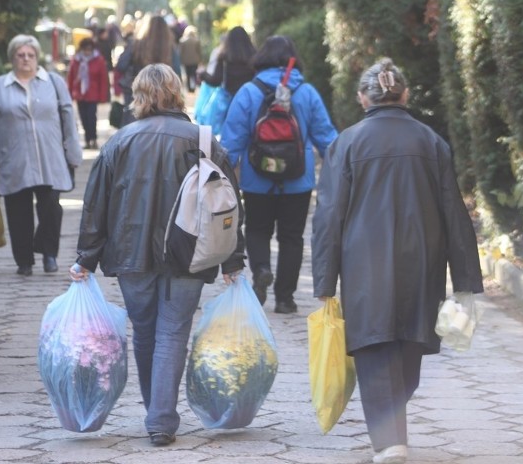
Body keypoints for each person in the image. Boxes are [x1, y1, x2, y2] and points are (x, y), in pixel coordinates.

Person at [311, 58, 484, 464]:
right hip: (421, 259)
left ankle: (390, 441)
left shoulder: (347, 143)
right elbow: (453, 210)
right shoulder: (431, 142)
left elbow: (329, 217)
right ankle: (392, 439)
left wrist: (325, 282)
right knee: (408, 344)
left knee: (374, 346)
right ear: (404, 95)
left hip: (364, 264)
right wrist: (465, 280)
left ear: (362, 97)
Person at [68, 63, 246, 447]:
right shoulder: (202, 140)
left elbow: (95, 206)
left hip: (131, 253)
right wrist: (232, 259)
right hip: (189, 252)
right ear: (178, 92)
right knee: (172, 332)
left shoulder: (120, 141)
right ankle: (160, 418)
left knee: (145, 331)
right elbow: (229, 204)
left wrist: (86, 257)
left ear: (139, 96)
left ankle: (157, 411)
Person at [220, 35, 338, 312]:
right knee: (292, 237)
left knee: (258, 230)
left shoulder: (249, 92)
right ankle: (285, 298)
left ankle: (261, 270)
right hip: (298, 180)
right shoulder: (307, 93)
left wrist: (222, 174)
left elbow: (231, 141)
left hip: (257, 179)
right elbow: (326, 138)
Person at [0, 34, 82, 276]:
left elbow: (69, 119)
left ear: (37, 58)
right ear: (12, 58)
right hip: (14, 159)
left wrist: (73, 153)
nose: (26, 59)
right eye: (20, 55)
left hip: (50, 157)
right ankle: (24, 261)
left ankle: (48, 254)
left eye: (30, 55)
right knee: (18, 212)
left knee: (51, 209)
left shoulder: (53, 82)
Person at [115, 14, 181, 125]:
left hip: (137, 90)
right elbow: (177, 71)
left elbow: (121, 65)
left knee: (134, 123)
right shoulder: (170, 48)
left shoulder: (136, 44)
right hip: (163, 92)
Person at [67, 37, 109, 149]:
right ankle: (87, 140)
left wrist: (103, 96)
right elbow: (71, 77)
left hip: (93, 94)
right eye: (85, 49)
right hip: (80, 95)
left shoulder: (99, 60)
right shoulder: (76, 60)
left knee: (91, 118)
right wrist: (69, 94)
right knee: (83, 118)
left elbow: (103, 79)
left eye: (89, 49)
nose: (87, 52)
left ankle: (93, 139)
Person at [178, 25, 202, 92]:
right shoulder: (197, 40)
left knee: (187, 74)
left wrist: (181, 60)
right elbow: (199, 51)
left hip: (186, 61)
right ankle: (194, 87)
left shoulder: (182, 41)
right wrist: (200, 60)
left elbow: (181, 52)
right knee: (194, 74)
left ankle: (189, 88)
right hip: (195, 61)